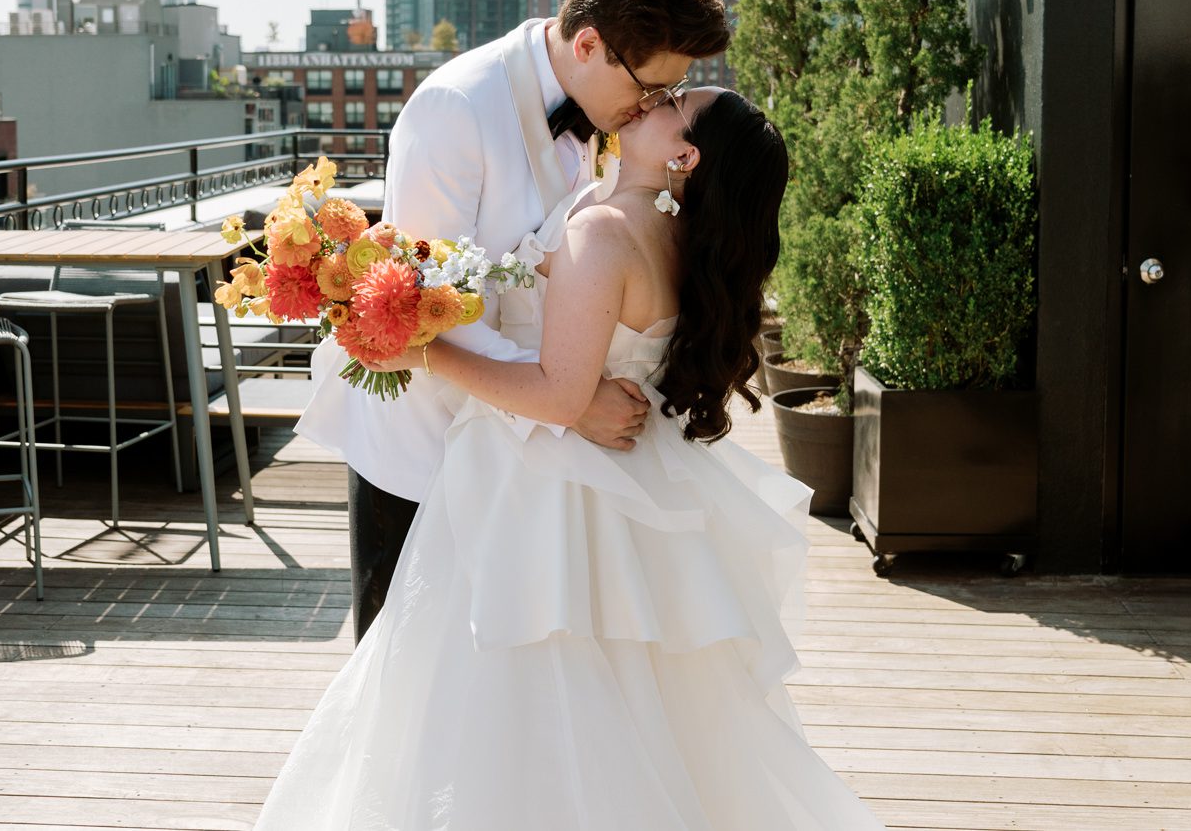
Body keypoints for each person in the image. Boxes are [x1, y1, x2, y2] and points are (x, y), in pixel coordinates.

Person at [255, 89, 885, 829]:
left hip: (539, 485)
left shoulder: (606, 233)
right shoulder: (666, 232)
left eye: (674, 103)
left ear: (685, 156)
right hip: (619, 479)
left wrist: (423, 351)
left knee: (507, 692)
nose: (653, 99)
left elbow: (559, 395)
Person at [297, 0, 732, 638]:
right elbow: (424, 307)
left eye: (666, 95)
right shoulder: (456, 110)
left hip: (529, 468)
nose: (651, 107)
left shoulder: (605, 109)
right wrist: (569, 401)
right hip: (423, 452)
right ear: (588, 45)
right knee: (408, 670)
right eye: (647, 89)